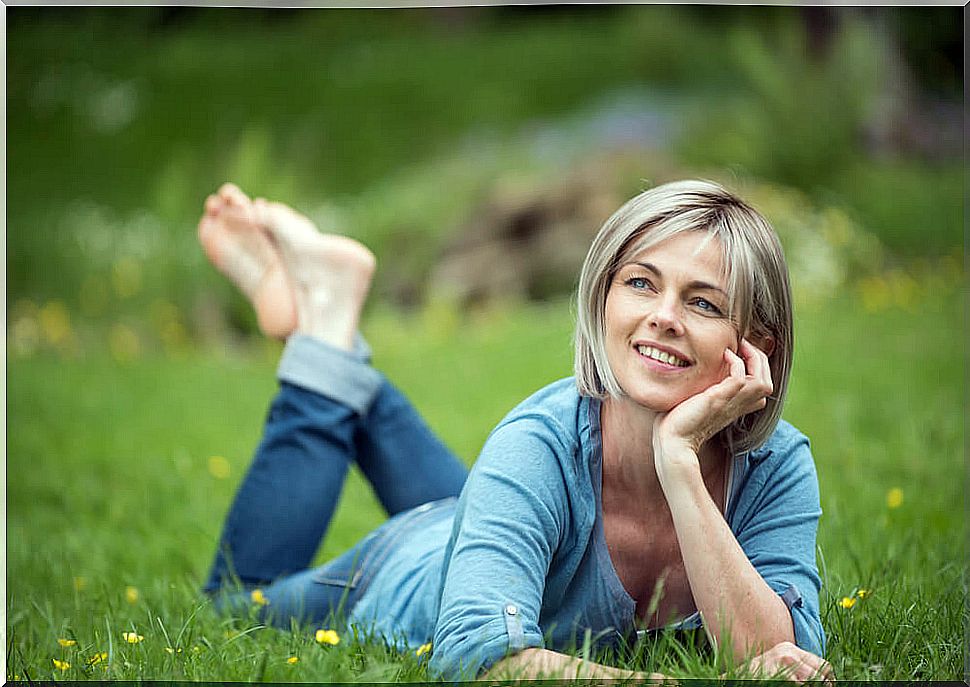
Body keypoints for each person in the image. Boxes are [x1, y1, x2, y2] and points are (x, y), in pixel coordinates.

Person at [197, 179, 833, 683]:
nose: (662, 317)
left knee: (487, 497)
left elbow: (782, 658)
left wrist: (679, 465)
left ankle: (329, 321)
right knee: (231, 605)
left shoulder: (775, 465)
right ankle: (324, 335)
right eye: (640, 283)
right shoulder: (537, 441)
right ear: (604, 299)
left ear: (755, 346)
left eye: (703, 302)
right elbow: (475, 656)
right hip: (410, 563)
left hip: (500, 527)